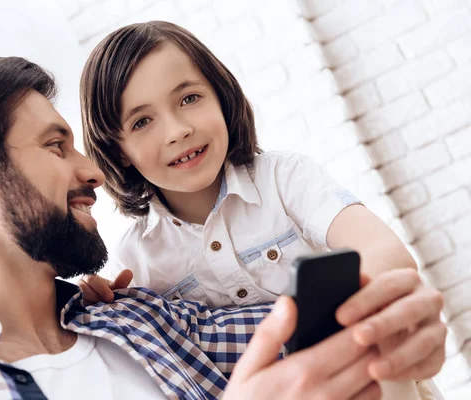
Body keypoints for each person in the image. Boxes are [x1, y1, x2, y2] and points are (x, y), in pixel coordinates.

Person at [0, 56, 445, 400]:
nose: (93, 171)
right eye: (54, 145)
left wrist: (394, 330)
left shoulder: (145, 317)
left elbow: (330, 339)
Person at [78, 21, 444, 399]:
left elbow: (386, 254)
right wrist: (104, 303)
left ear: (220, 96)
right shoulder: (135, 259)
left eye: (189, 99)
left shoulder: (285, 178)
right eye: (142, 121)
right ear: (118, 150)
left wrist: (358, 324)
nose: (177, 130)